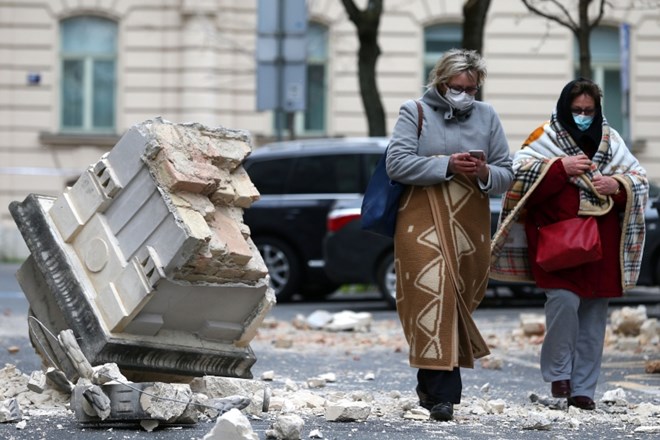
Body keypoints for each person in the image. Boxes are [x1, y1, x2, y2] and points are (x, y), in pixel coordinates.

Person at [491, 78, 648, 410]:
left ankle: (583, 390)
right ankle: (559, 374)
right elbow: (519, 179)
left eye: (589, 111)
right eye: (576, 110)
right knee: (562, 305)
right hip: (555, 243)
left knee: (593, 320)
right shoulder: (542, 138)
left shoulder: (611, 139)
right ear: (565, 108)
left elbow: (638, 179)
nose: (582, 116)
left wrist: (615, 185)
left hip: (600, 248)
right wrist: (559, 168)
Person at [385, 48, 513, 421]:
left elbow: (507, 172)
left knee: (455, 299)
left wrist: (483, 171)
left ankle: (429, 383)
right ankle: (445, 396)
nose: (464, 93)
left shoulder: (488, 116)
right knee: (432, 291)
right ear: (440, 83)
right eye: (456, 87)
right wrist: (447, 164)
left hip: (469, 223)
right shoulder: (416, 111)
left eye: (471, 88)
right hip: (420, 216)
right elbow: (397, 162)